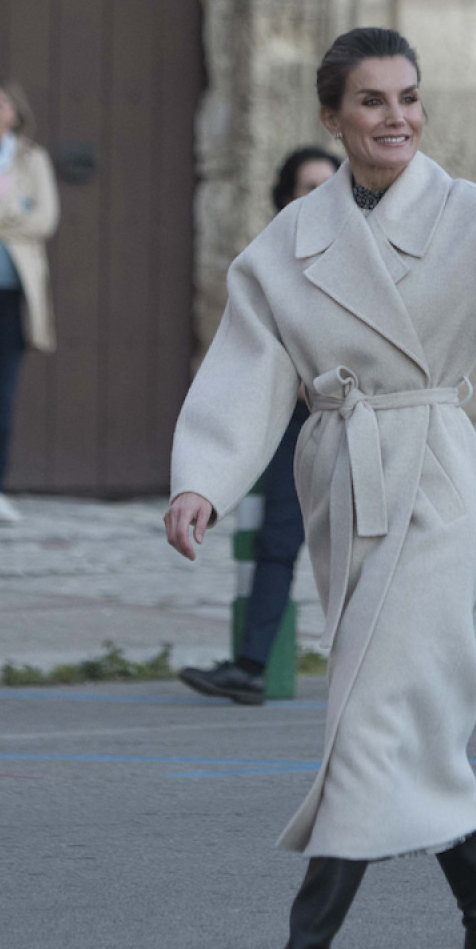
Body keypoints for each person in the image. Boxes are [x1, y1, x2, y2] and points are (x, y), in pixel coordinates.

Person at [165, 27, 476, 949]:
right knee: (407, 720)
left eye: (408, 97)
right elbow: (248, 369)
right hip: (344, 486)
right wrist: (201, 483)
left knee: (372, 717)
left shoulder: (463, 215)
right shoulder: (287, 244)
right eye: (371, 102)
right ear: (332, 116)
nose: (396, 117)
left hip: (429, 478)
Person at [179, 147, 339, 705]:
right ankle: (250, 666)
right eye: (306, 185)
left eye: (328, 182)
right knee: (276, 541)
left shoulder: (366, 251)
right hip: (294, 418)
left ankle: (375, 669)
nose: (318, 194)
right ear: (286, 196)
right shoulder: (276, 260)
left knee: (370, 546)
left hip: (361, 420)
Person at [0, 82, 59, 524]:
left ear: (15, 114)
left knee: (1, 395)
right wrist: (11, 209)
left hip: (14, 296)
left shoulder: (32, 158)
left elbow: (44, 218)